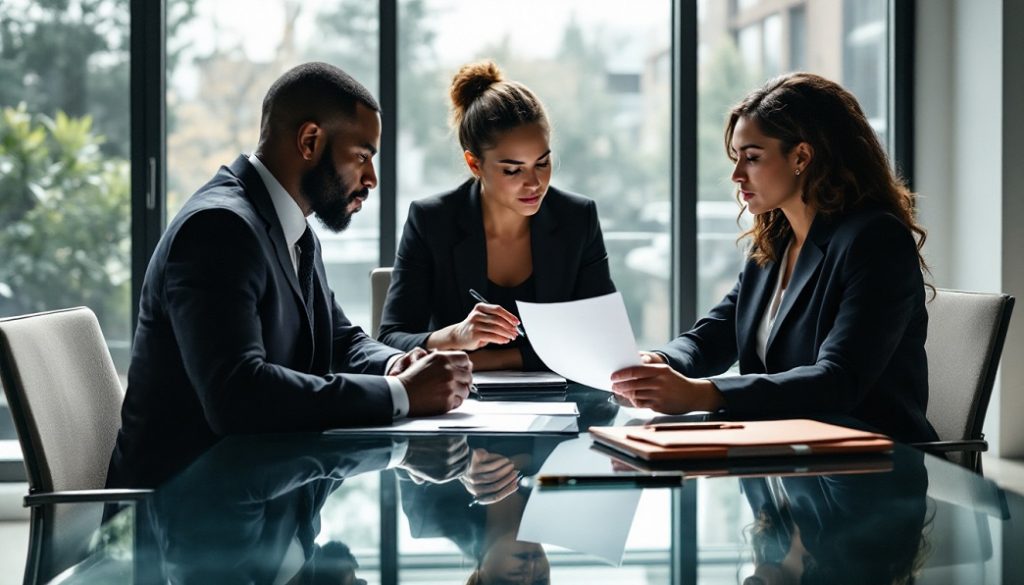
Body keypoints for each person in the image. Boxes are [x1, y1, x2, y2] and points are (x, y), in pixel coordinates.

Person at [106, 62, 472, 489]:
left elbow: (338, 340)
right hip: (183, 508)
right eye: (362, 156)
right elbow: (237, 394)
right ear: (310, 141)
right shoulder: (218, 229)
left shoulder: (291, 226)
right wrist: (402, 394)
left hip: (259, 489)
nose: (371, 178)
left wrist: (398, 364)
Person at [611, 72, 938, 443]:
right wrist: (658, 363)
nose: (736, 175)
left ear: (801, 156)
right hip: (788, 452)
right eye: (736, 158)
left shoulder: (875, 240)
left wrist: (702, 394)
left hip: (873, 459)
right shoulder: (773, 242)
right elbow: (715, 336)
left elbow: (839, 379)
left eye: (752, 157)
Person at [378, 60, 616, 372]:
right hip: (457, 396)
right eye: (513, 170)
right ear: (474, 164)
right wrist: (456, 336)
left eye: (542, 163)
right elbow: (390, 340)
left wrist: (489, 360)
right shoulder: (432, 221)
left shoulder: (577, 219)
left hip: (558, 395)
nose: (534, 183)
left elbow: (602, 337)